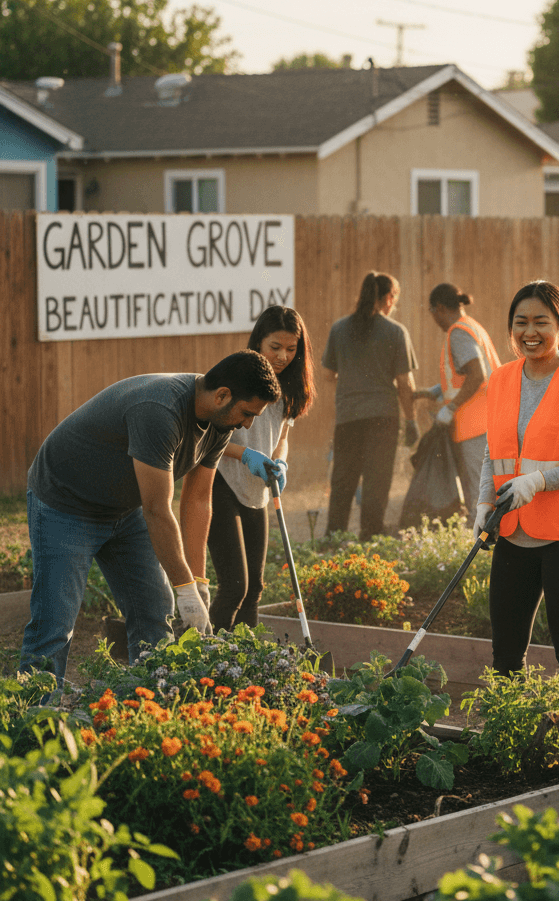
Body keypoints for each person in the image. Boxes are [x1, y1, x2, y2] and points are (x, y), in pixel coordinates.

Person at [20, 351, 281, 684]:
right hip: (66, 504)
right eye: (248, 413)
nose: (248, 424)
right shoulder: (160, 410)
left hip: (122, 508)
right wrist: (183, 587)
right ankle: (32, 720)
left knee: (155, 611)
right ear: (222, 395)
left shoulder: (219, 423)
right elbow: (158, 509)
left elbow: (198, 500)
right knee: (55, 625)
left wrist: (197, 583)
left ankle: (153, 704)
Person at [474, 280, 559, 745]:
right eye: (520, 323)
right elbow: (493, 452)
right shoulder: (501, 379)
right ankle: (504, 738)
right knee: (505, 652)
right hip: (512, 534)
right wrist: (482, 505)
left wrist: (537, 481)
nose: (530, 332)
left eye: (541, 323)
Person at [208, 306, 318, 633]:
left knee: (254, 588)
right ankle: (210, 658)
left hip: (257, 489)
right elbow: (207, 440)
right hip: (222, 481)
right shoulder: (234, 378)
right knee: (234, 586)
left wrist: (280, 460)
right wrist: (245, 455)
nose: (283, 356)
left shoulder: (291, 387)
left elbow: (282, 437)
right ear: (258, 342)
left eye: (291, 349)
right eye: (275, 347)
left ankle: (247, 663)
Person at [323, 271, 419, 539]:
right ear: (388, 298)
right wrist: (411, 421)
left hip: (348, 417)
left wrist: (354, 378)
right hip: (382, 417)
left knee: (344, 477)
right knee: (377, 479)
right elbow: (405, 384)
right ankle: (371, 533)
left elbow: (329, 375)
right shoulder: (396, 331)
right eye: (394, 300)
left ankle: (334, 534)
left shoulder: (339, 329)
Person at [414, 283, 502, 514]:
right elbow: (467, 377)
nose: (434, 319)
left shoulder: (458, 333)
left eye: (432, 313)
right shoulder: (472, 327)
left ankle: (481, 546)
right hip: (487, 421)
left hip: (474, 427)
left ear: (440, 308)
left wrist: (450, 407)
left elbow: (477, 374)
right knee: (486, 491)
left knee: (478, 495)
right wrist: (435, 391)